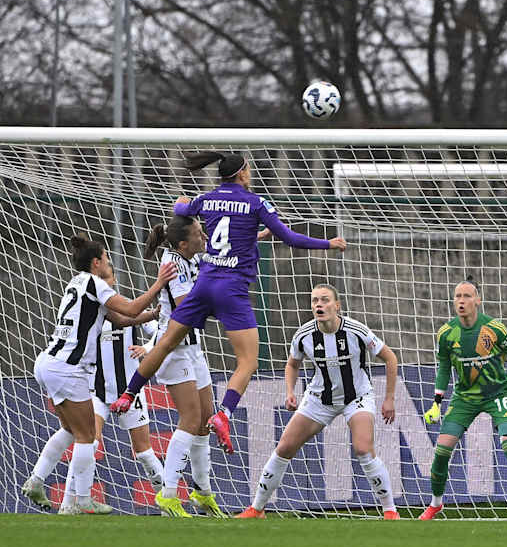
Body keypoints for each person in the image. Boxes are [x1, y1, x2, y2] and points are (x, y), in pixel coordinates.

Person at [111, 152, 345, 456]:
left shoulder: (206, 199)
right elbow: (289, 237)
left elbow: (181, 208)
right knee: (248, 361)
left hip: (205, 284)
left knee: (166, 342)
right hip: (231, 290)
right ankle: (224, 414)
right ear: (243, 174)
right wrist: (328, 243)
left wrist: (182, 203)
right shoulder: (255, 202)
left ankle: (128, 394)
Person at [31, 235, 175, 515]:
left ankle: (166, 500)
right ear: (97, 264)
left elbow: (133, 320)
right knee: (86, 437)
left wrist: (150, 330)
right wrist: (159, 283)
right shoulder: (95, 287)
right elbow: (130, 308)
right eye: (107, 261)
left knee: (83, 435)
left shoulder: (82, 289)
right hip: (85, 382)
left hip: (119, 388)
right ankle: (76, 501)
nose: (111, 272)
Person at [236, 285, 400, 519]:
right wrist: (290, 391)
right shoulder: (303, 335)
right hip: (319, 400)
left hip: (357, 397)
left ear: (337, 306)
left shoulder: (356, 330)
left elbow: (390, 357)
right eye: (314, 301)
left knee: (363, 448)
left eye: (324, 300)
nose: (319, 305)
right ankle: (257, 509)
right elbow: (292, 364)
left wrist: (390, 399)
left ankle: (390, 511)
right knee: (284, 447)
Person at [420, 277, 507, 521]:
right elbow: (444, 368)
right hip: (465, 397)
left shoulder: (495, 328)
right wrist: (436, 403)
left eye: (467, 296)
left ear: (478, 300)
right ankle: (436, 503)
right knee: (442, 451)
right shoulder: (446, 334)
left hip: (498, 393)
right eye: (457, 296)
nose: (461, 301)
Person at [139, 214, 226, 518]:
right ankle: (168, 494)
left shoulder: (189, 256)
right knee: (189, 417)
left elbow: (219, 254)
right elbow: (187, 302)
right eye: (200, 234)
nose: (205, 238)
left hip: (192, 346)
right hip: (173, 348)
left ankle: (202, 493)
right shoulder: (173, 265)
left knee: (204, 419)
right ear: (183, 243)